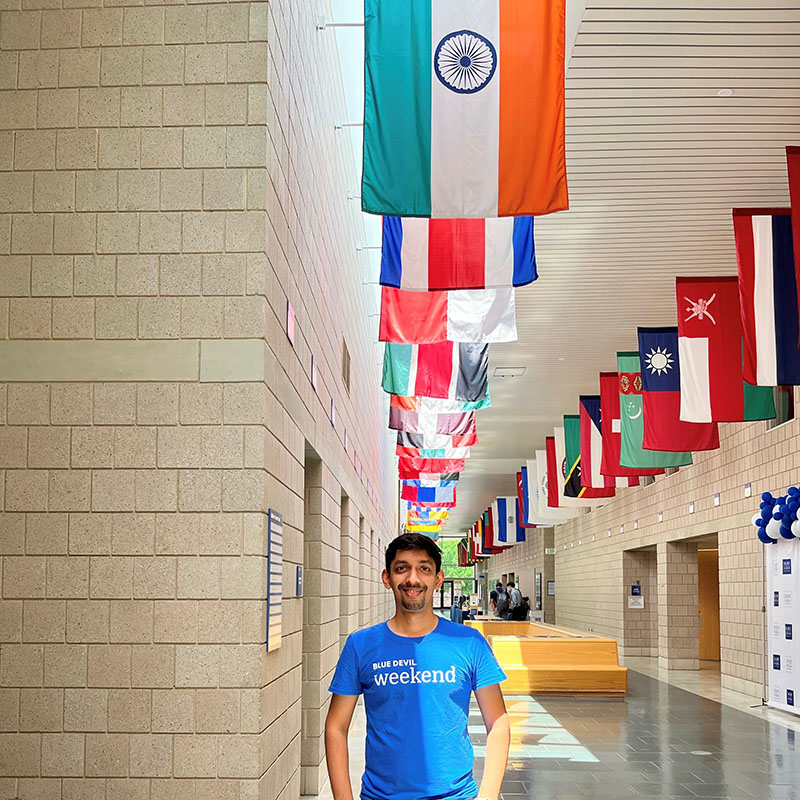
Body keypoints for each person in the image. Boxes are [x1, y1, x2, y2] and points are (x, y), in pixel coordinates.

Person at [325, 532, 510, 800]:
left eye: (424, 568)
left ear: (437, 579)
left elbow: (498, 722)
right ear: (387, 578)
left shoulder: (469, 643)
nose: (413, 579)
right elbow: (336, 727)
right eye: (402, 568)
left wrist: (488, 796)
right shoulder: (361, 645)